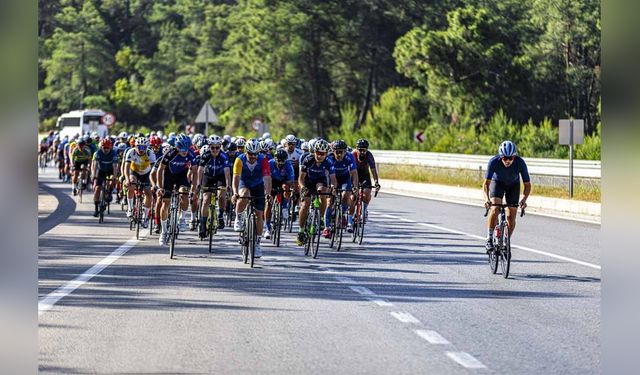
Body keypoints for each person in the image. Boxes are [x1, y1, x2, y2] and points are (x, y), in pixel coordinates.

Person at [483, 140, 531, 251]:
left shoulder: (520, 163)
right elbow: (486, 184)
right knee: (495, 209)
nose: (508, 161)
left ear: (514, 157)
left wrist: (524, 199)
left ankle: (506, 242)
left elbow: (527, 185)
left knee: (512, 215)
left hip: (513, 185)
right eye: (505, 158)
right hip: (497, 183)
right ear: (501, 157)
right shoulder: (493, 162)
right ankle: (489, 239)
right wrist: (486, 199)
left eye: (511, 158)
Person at [231, 139, 272, 258]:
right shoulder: (240, 160)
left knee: (259, 214)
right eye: (250, 154)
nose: (253, 156)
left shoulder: (263, 160)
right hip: (244, 183)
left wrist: (268, 193)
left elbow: (267, 178)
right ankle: (238, 217)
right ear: (246, 152)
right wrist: (234, 193)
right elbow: (236, 178)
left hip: (258, 185)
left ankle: (257, 244)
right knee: (243, 194)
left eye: (255, 154)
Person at [156, 135, 197, 245]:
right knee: (165, 203)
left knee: (184, 193)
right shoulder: (170, 153)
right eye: (181, 149)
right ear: (176, 147)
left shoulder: (191, 154)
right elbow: (160, 170)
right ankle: (164, 232)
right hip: (169, 175)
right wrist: (160, 187)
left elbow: (195, 172)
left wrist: (193, 189)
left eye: (186, 149)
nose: (184, 152)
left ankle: (182, 218)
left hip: (182, 176)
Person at [296, 139, 337, 246]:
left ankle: (322, 218)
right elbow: (300, 178)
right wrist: (303, 187)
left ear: (326, 154)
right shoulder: (308, 159)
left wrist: (333, 187)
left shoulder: (328, 161)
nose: (320, 156)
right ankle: (301, 230)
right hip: (308, 182)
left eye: (322, 154)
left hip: (320, 181)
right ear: (314, 152)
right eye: (318, 153)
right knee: (305, 205)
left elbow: (333, 178)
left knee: (322, 192)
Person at [197, 135, 231, 238]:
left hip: (220, 177)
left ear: (220, 147)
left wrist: (228, 185)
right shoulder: (205, 156)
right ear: (209, 147)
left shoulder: (224, 156)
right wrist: (198, 183)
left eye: (217, 147)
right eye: (213, 147)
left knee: (221, 195)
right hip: (208, 177)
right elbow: (200, 170)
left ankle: (220, 215)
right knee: (206, 199)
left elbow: (227, 171)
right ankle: (203, 225)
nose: (215, 150)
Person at [326, 140, 359, 236]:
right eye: (337, 152)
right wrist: (329, 187)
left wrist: (355, 187)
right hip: (332, 178)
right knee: (329, 201)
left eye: (342, 152)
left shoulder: (350, 157)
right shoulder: (329, 157)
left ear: (345, 152)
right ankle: (326, 227)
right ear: (333, 151)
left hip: (345, 178)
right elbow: (326, 173)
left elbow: (354, 173)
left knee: (346, 196)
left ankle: (341, 213)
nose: (339, 154)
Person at [123, 137, 156, 227]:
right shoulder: (131, 152)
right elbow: (126, 167)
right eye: (139, 147)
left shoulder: (150, 153)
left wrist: (153, 183)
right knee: (131, 184)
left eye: (144, 147)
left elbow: (154, 169)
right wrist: (126, 179)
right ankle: (130, 208)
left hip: (147, 173)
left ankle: (145, 217)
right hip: (135, 172)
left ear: (146, 147)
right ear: (135, 146)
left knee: (148, 193)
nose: (141, 150)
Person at [264, 149, 295, 239]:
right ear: (275, 159)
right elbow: (266, 179)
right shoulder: (270, 163)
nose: (280, 162)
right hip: (271, 181)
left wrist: (289, 190)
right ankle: (267, 227)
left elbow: (291, 181)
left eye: (282, 161)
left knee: (286, 188)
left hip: (283, 182)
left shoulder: (288, 165)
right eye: (278, 160)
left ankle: (285, 206)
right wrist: (267, 192)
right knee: (268, 203)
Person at [351, 138, 380, 226]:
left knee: (367, 193)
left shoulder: (369, 155)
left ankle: (364, 209)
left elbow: (373, 170)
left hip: (365, 175)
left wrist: (376, 182)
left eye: (364, 150)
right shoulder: (352, 155)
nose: (362, 152)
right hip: (354, 174)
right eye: (360, 150)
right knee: (354, 196)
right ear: (357, 149)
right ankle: (351, 214)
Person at [91, 138, 119, 217]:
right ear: (101, 147)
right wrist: (94, 175)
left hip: (110, 170)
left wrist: (114, 177)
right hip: (101, 170)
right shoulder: (98, 153)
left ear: (110, 147)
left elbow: (115, 166)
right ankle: (96, 209)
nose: (106, 149)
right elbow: (95, 165)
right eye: (104, 147)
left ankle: (109, 192)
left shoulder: (113, 153)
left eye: (107, 147)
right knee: (97, 189)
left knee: (111, 181)